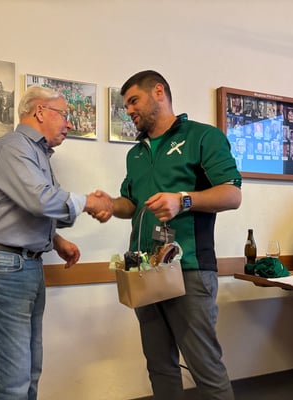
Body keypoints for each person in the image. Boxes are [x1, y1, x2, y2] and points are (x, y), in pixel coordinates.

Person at [93, 70, 241, 400]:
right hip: (143, 271)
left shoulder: (203, 136)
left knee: (205, 367)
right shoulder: (136, 153)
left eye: (133, 101)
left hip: (189, 269)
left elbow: (232, 195)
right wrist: (110, 205)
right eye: (125, 105)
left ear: (158, 92)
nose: (128, 110)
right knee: (159, 365)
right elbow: (131, 204)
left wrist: (183, 200)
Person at [0, 85, 112, 400]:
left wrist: (55, 239)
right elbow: (40, 200)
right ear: (40, 111)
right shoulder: (13, 146)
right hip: (4, 267)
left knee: (28, 375)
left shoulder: (38, 154)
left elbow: (32, 207)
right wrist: (89, 201)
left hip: (22, 265)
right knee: (10, 382)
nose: (69, 123)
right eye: (64, 115)